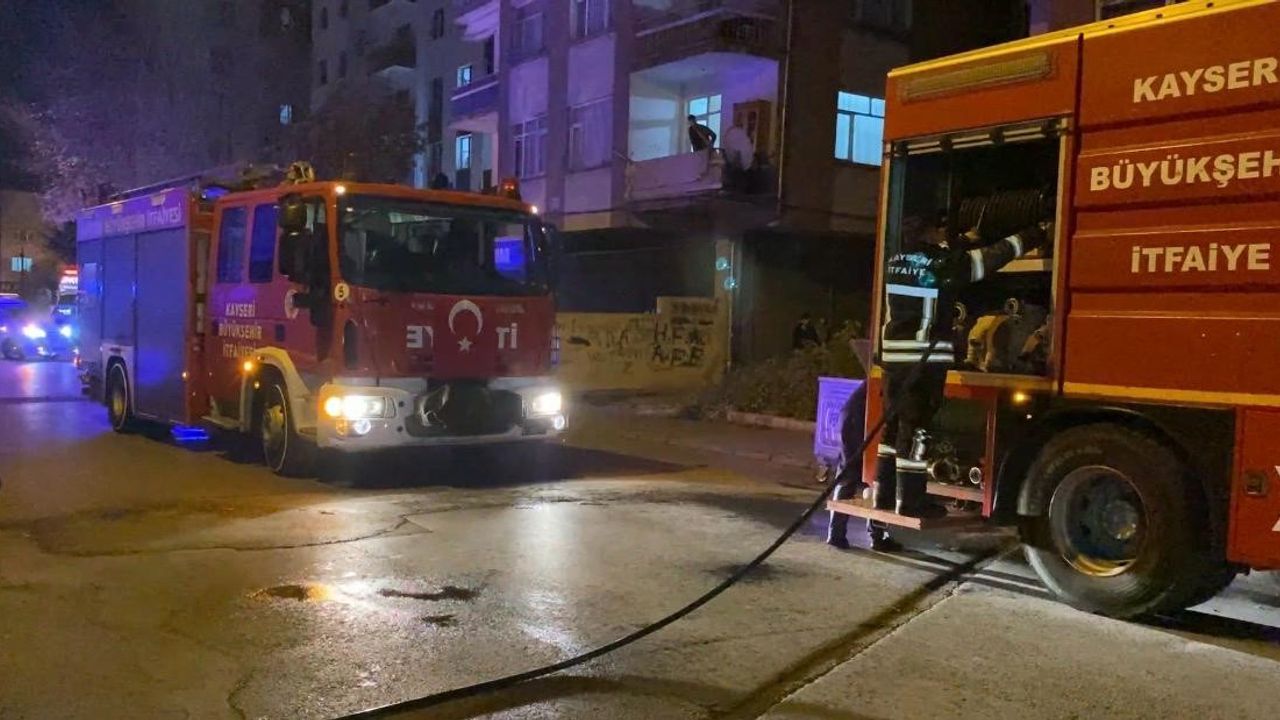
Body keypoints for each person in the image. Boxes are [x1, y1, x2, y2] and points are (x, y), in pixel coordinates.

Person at [828, 209, 1050, 551]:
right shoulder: (939, 263)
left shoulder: (897, 260)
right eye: (942, 230)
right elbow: (984, 262)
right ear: (932, 232)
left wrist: (961, 242)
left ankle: (885, 495)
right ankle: (911, 501)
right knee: (916, 432)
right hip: (923, 360)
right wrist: (1032, 235)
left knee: (892, 431)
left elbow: (938, 266)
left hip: (895, 360)